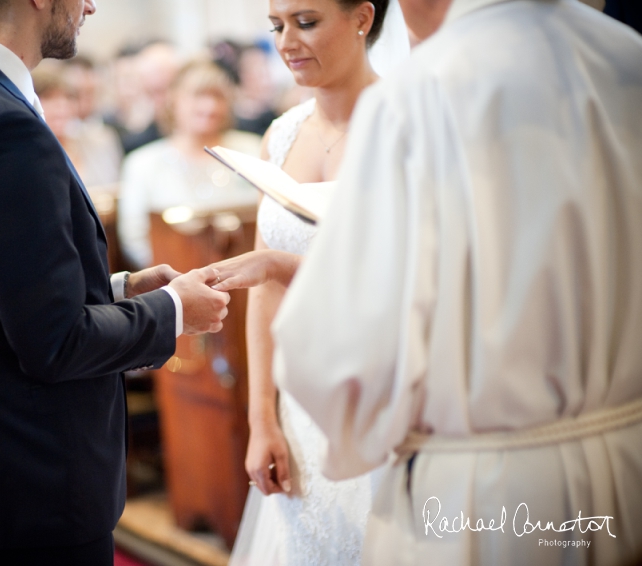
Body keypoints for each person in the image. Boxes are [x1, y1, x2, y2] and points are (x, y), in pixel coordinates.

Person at [270, 0, 642, 565]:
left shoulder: (422, 90)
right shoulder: (627, 56)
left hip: (487, 494)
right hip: (625, 465)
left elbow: (336, 358)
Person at [0, 1, 230, 564]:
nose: (90, 5)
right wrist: (174, 311)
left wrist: (120, 290)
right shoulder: (0, 125)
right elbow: (54, 342)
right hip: (36, 471)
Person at [207, 1, 410, 564]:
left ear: (363, 17)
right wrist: (261, 418)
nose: (287, 41)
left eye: (307, 22)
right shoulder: (282, 133)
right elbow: (265, 291)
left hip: (382, 398)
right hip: (297, 407)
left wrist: (276, 267)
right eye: (277, 26)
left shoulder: (405, 127)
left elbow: (404, 286)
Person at [117, 60, 262, 270]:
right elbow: (135, 237)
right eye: (198, 96)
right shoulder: (143, 163)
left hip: (249, 274)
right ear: (173, 100)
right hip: (175, 281)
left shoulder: (251, 150)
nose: (209, 106)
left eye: (217, 96)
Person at [62, 56, 124, 190]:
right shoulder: (55, 134)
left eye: (91, 93)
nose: (84, 102)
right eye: (77, 94)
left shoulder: (110, 134)